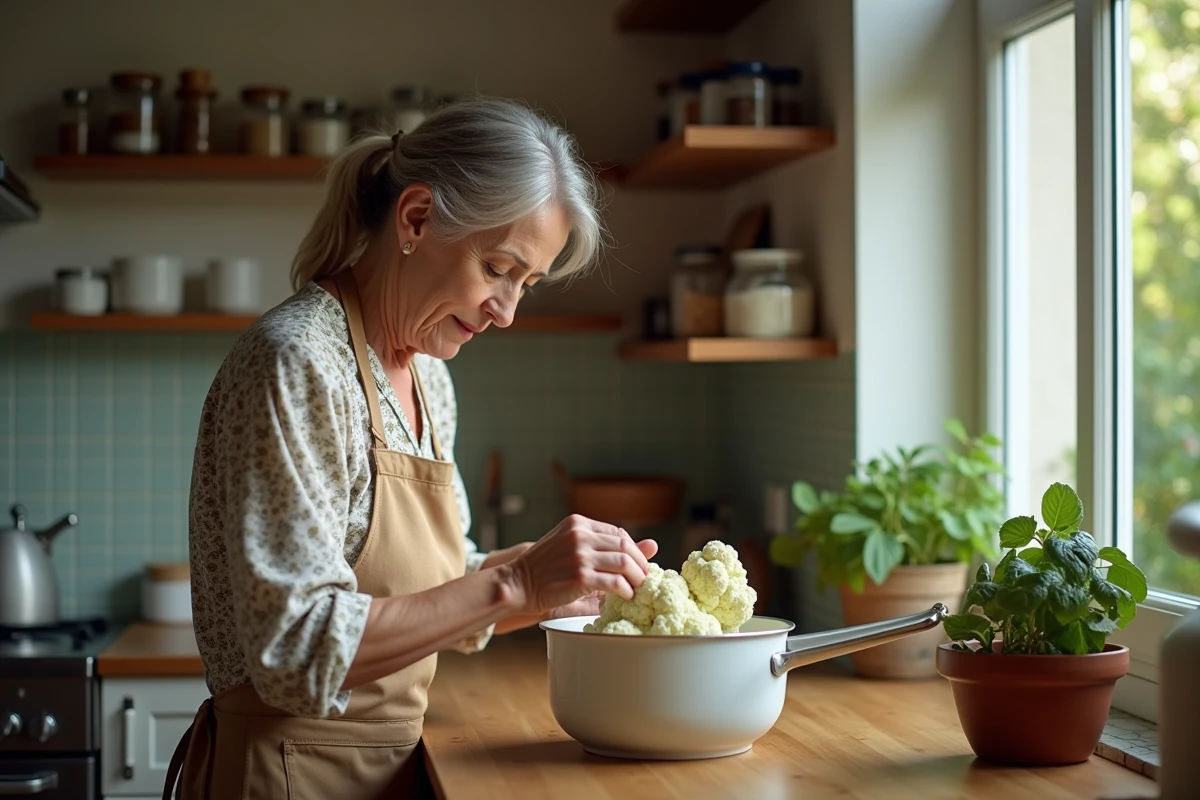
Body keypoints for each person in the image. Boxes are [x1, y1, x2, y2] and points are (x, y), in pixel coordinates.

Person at [163, 98, 657, 799]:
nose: (508, 312)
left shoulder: (428, 375)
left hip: (390, 771)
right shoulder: (299, 362)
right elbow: (294, 649)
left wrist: (546, 583)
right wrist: (510, 584)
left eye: (527, 284)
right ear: (417, 219)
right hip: (286, 774)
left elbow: (439, 593)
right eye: (496, 268)